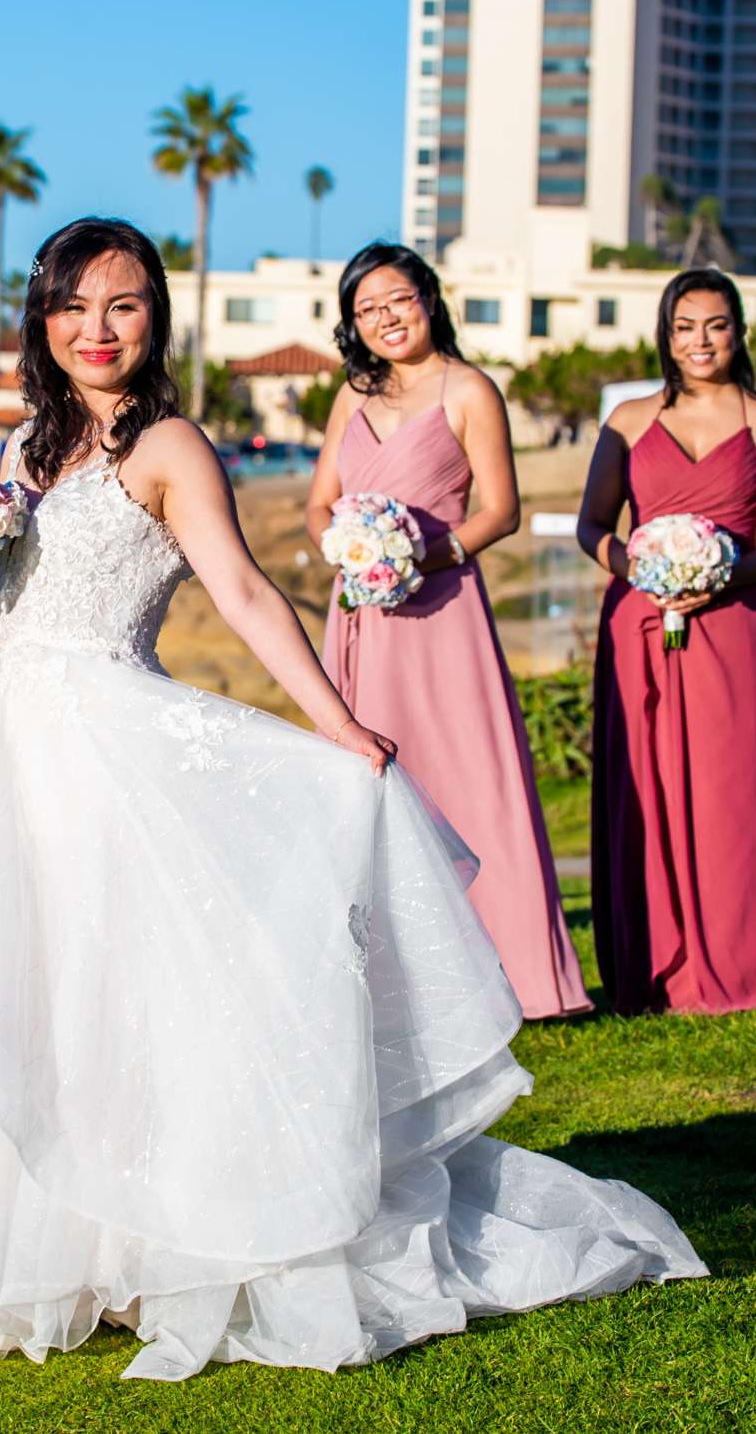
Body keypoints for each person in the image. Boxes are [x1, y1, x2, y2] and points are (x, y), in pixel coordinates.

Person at [0, 217, 703, 1381]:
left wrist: (336, 723)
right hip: (10, 749)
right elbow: (2, 628)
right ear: (43, 318)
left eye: (123, 305)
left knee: (122, 986)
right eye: (75, 306)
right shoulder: (24, 453)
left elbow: (243, 591)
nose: (97, 329)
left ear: (155, 320)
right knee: (39, 986)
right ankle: (65, 1250)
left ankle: (157, 1243)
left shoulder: (171, 446)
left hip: (109, 743)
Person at [307, 242, 591, 1019]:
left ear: (428, 298)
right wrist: (345, 548)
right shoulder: (350, 399)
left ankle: (521, 974)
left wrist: (424, 555)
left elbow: (501, 508)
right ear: (352, 326)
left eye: (397, 299)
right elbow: (320, 498)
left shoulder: (468, 389)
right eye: (366, 309)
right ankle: (397, 977)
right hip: (363, 610)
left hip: (442, 609)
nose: (385, 318)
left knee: (469, 772)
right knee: (375, 776)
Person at [576, 270, 756, 1016]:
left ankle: (755, 958)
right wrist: (639, 568)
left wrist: (727, 573)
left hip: (736, 627)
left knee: (738, 794)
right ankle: (658, 967)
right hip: (640, 627)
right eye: (684, 326)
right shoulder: (629, 420)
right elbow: (592, 526)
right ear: (664, 334)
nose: (699, 341)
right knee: (655, 789)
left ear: (739, 332)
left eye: (714, 325)